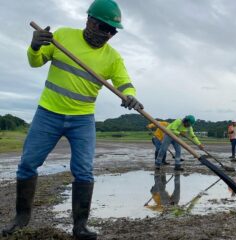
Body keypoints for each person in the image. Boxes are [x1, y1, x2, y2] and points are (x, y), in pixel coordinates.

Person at [2, 1, 143, 239]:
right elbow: (35, 62)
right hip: (48, 114)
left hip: (82, 120)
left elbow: (124, 82)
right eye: (103, 27)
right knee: (27, 164)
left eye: (112, 31)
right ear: (89, 20)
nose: (107, 34)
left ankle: (80, 226)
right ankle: (22, 216)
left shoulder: (112, 57)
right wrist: (35, 46)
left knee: (84, 172)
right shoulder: (63, 36)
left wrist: (130, 96)